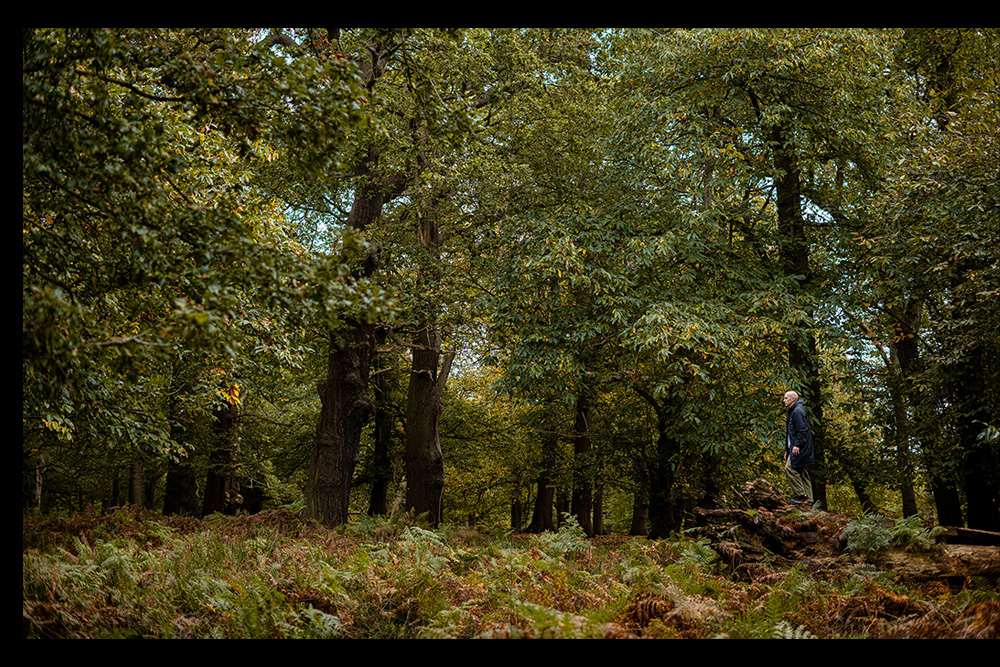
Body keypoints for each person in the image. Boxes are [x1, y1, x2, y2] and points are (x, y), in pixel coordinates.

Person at [782, 390, 815, 505]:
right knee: (802, 472)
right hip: (796, 447)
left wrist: (797, 445)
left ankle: (801, 495)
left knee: (790, 468)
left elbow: (803, 430)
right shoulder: (793, 411)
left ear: (793, 399)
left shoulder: (798, 411)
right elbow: (790, 434)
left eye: (786, 398)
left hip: (801, 448)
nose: (784, 400)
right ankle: (809, 500)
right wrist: (787, 450)